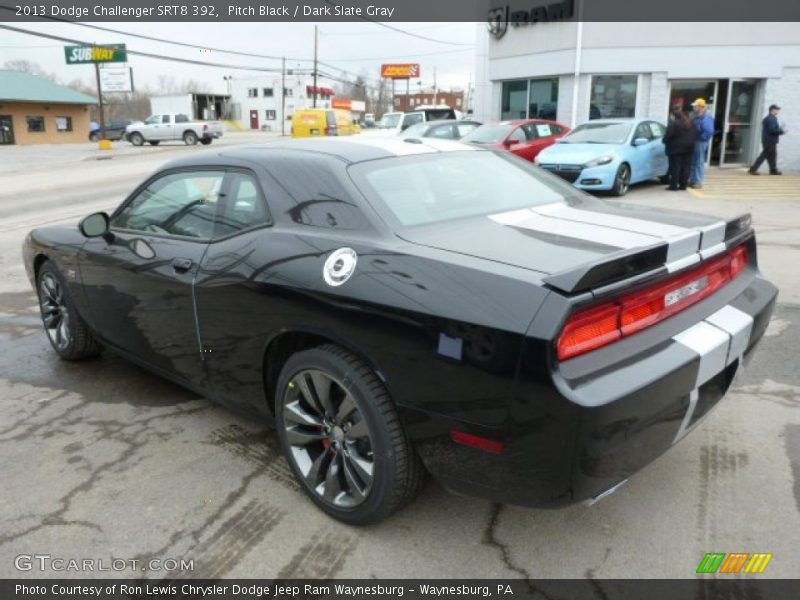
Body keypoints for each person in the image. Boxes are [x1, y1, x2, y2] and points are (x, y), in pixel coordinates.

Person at [663, 108, 697, 191]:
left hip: (676, 149)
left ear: (674, 116)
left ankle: (673, 186)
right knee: (686, 167)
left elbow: (668, 136)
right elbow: (696, 133)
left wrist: (664, 141)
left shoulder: (674, 124)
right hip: (689, 148)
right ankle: (683, 185)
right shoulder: (691, 123)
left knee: (675, 167)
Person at [749, 104, 785, 175]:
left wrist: (780, 130)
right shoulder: (770, 119)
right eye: (777, 109)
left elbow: (773, 129)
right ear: (772, 110)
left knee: (772, 155)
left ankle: (773, 170)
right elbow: (772, 130)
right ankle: (753, 169)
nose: (778, 111)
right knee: (764, 155)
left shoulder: (771, 118)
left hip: (770, 140)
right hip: (769, 141)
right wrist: (781, 131)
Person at [689, 98, 715, 189]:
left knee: (699, 161)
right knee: (693, 161)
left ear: (701, 107)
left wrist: (700, 138)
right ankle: (692, 180)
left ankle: (698, 181)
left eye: (695, 106)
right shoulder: (696, 117)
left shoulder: (707, 117)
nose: (694, 108)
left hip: (700, 142)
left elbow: (709, 131)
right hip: (695, 141)